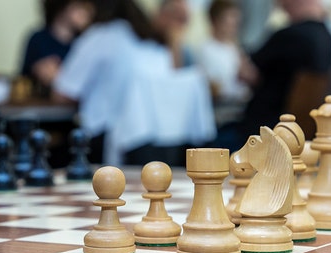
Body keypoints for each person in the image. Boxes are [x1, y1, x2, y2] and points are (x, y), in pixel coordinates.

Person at [53, 0, 215, 166]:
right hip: (159, 144)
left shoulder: (99, 36)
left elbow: (64, 92)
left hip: (106, 140)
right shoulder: (152, 42)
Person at [237, 0, 331, 144]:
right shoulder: (327, 37)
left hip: (262, 134)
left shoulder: (288, 36)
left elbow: (246, 74)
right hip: (297, 135)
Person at [20, 0, 94, 97]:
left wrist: (59, 77)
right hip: (42, 103)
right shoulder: (38, 39)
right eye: (79, 7)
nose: (85, 14)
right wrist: (37, 69)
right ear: (62, 7)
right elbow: (23, 78)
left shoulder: (86, 42)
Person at [197, 0, 250, 102]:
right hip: (223, 106)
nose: (235, 23)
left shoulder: (234, 48)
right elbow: (214, 88)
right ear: (216, 20)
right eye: (231, 17)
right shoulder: (206, 50)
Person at [152, 0, 195, 68]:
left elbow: (178, 77)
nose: (181, 27)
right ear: (161, 15)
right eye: (178, 18)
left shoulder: (186, 54)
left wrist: (175, 48)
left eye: (185, 21)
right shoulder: (143, 42)